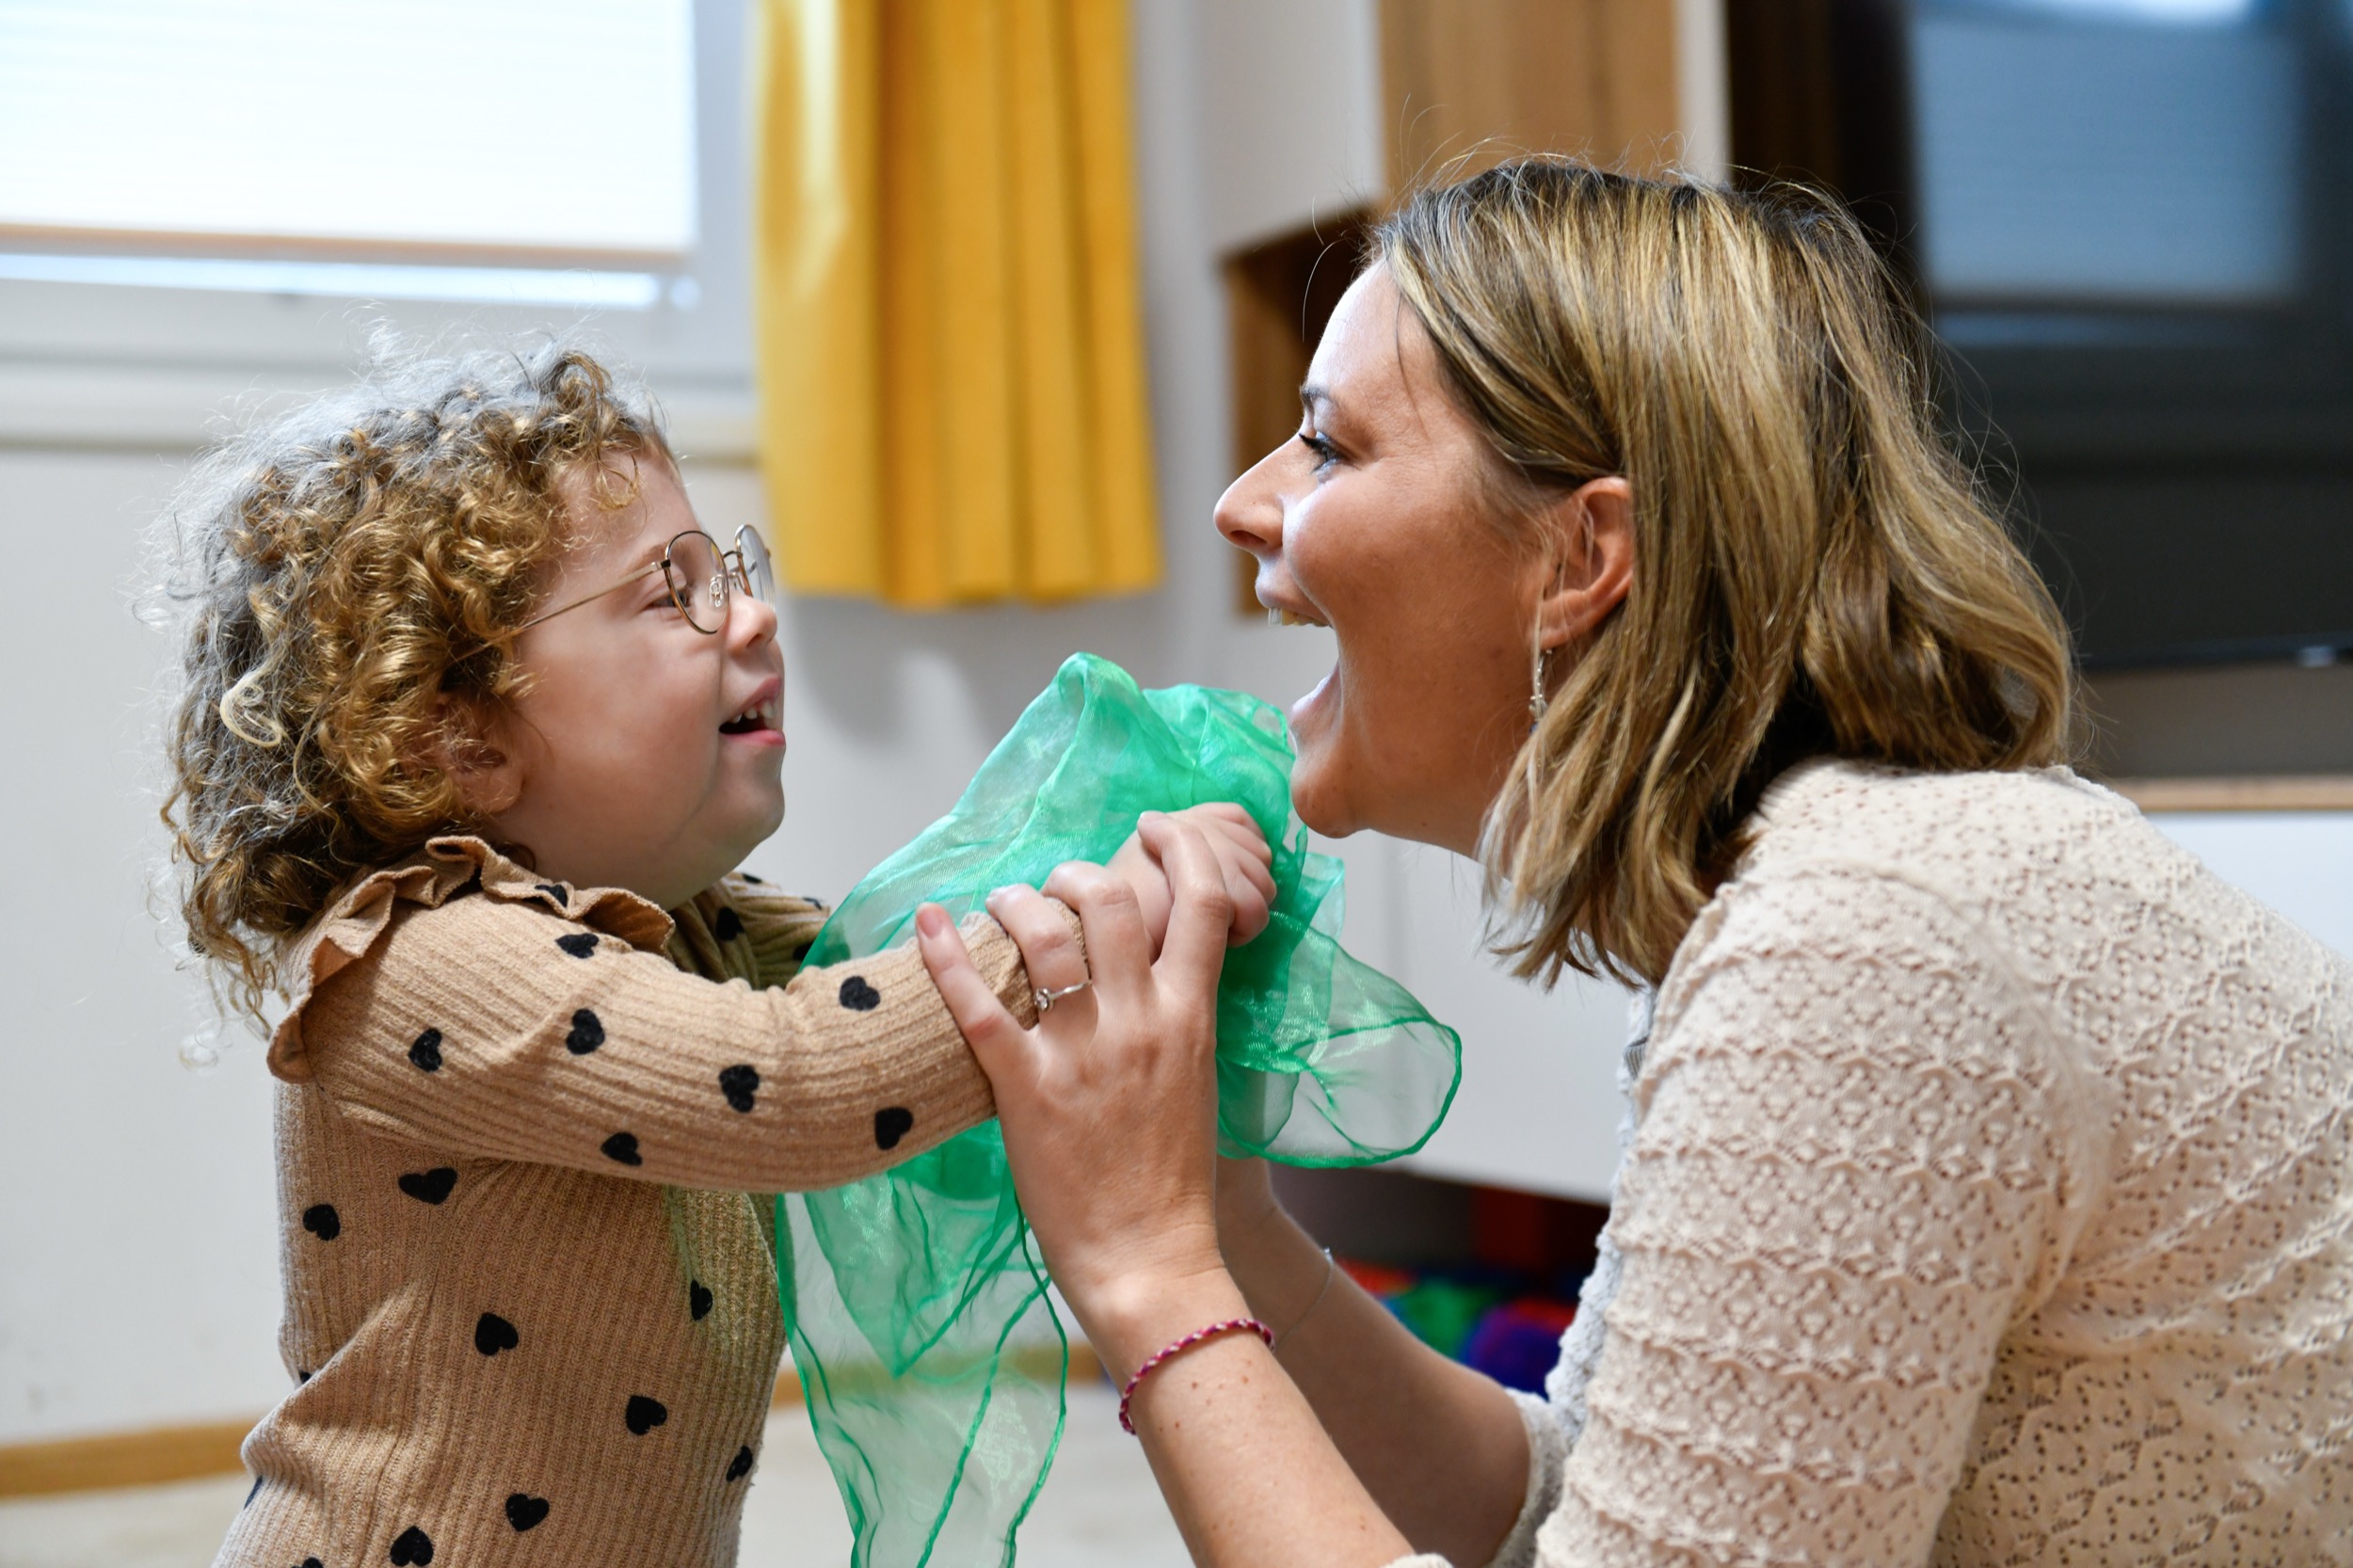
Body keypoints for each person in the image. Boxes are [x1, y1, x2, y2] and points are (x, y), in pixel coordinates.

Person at [917, 160, 2353, 1566]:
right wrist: (1225, 1219)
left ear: (1579, 556)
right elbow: (1580, 1508)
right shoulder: (1814, 898)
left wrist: (1151, 1272)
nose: (1245, 502)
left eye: (1329, 447)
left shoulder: (1861, 949)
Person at [156, 343, 1273, 1567]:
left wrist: (1105, 890)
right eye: (670, 592)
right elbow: (799, 1079)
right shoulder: (421, 961)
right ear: (459, 740)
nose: (753, 612)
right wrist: (1085, 928)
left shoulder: (685, 921)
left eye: (729, 568)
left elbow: (889, 967)